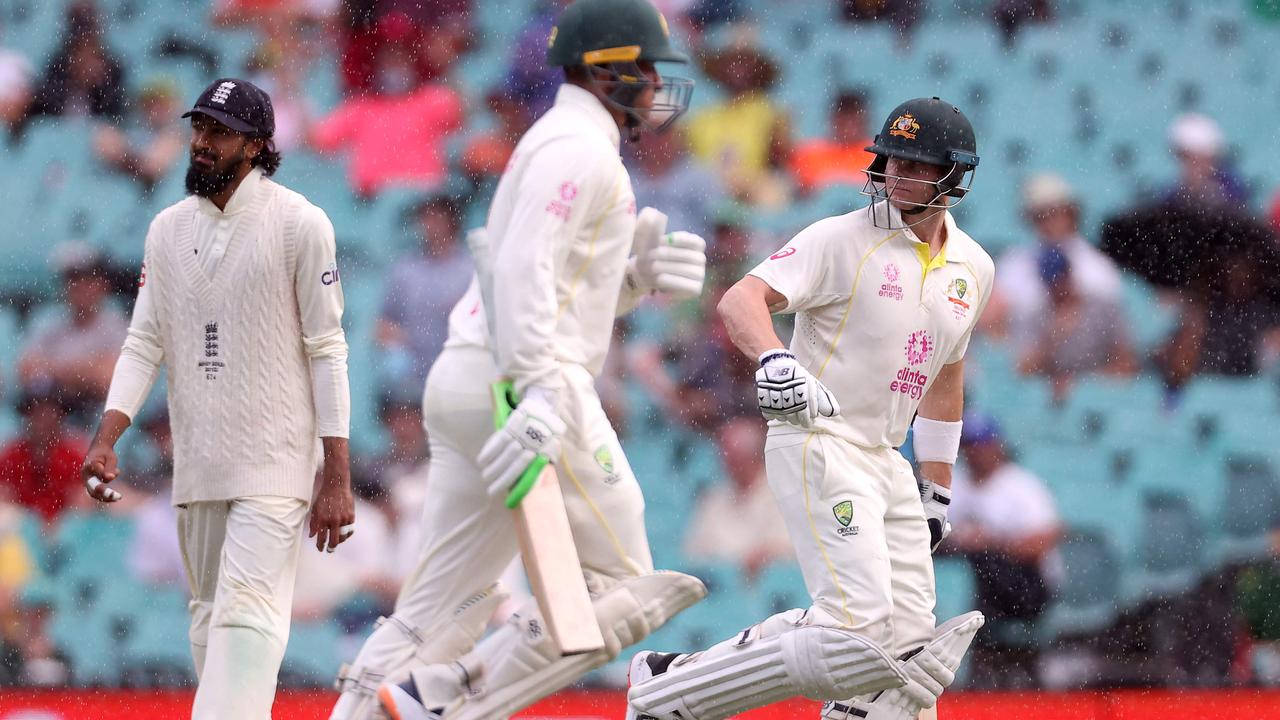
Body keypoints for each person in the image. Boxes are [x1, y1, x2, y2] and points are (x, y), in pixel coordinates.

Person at [332, 2, 709, 719]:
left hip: (475, 375)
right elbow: (522, 270)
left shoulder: (562, 140)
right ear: (608, 69)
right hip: (526, 383)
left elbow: (550, 281)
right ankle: (446, 696)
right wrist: (539, 393)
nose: (660, 82)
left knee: (444, 605)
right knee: (620, 589)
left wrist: (631, 278)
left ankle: (375, 707)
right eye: (650, 66)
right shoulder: (577, 148)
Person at [626, 97, 995, 720]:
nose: (898, 178)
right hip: (818, 440)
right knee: (856, 634)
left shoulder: (973, 267)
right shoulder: (839, 238)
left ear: (955, 174)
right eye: (892, 162)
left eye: (917, 167)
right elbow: (742, 300)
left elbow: (945, 374)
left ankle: (676, 678)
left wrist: (936, 487)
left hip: (886, 459)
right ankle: (669, 694)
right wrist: (776, 360)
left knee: (906, 658)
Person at [79, 78, 354, 720]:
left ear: (256, 146)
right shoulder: (166, 230)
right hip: (198, 465)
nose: (201, 145)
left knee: (248, 616)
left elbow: (328, 348)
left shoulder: (300, 223)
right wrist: (106, 435)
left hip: (276, 462)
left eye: (219, 134)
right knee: (209, 626)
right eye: (198, 130)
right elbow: (144, 342)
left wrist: (334, 474)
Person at [947, 413, 1062, 689]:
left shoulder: (1021, 485)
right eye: (970, 444)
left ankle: (972, 631)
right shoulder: (956, 483)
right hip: (978, 586)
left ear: (996, 445)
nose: (975, 451)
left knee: (985, 558)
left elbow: (1045, 540)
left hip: (1027, 586)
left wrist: (991, 543)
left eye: (981, 443)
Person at [982, 173, 1122, 347]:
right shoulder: (1014, 263)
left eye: (1056, 212)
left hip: (1081, 358)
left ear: (1072, 213)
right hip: (1027, 360)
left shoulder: (1097, 265)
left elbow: (1108, 327)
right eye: (1042, 214)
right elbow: (995, 322)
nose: (1050, 221)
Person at [375, 193, 473, 390]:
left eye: (437, 217)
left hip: (460, 371)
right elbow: (383, 325)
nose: (431, 225)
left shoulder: (470, 270)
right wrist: (399, 347)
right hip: (415, 376)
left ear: (452, 221)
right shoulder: (405, 269)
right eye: (426, 218)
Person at [16, 243, 127, 414]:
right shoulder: (48, 320)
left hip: (96, 415)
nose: (81, 288)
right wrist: (87, 370)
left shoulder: (116, 324)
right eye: (73, 280)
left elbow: (108, 381)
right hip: (54, 415)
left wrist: (51, 369)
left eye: (88, 280)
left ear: (103, 284)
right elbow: (25, 372)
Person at [1016, 247, 1136, 403]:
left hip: (1102, 395)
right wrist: (1053, 337)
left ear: (1069, 274)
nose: (1056, 286)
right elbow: (1024, 370)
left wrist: (1086, 385)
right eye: (1050, 281)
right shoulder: (1037, 315)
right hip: (1057, 399)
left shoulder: (1102, 308)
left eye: (1059, 278)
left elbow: (1128, 362)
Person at [683, 416, 792, 582]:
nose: (727, 462)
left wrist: (761, 555)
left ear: (753, 456)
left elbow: (785, 548)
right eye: (725, 455)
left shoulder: (781, 492)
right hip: (720, 588)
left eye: (735, 456)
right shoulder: (713, 498)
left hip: (769, 587)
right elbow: (695, 551)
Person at [0, 390, 87, 524]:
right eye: (37, 414)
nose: (43, 421)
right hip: (21, 532)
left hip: (66, 530)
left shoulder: (74, 456)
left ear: (60, 418)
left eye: (49, 414)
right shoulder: (11, 456)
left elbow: (86, 498)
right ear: (27, 417)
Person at [93, 79, 185, 191]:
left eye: (162, 105)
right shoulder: (130, 128)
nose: (155, 110)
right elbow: (104, 144)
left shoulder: (179, 135)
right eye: (150, 104)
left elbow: (153, 167)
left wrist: (126, 159)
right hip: (121, 188)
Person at [788, 89, 875, 195]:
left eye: (853, 119)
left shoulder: (877, 156)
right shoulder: (808, 154)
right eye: (844, 118)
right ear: (833, 119)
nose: (849, 125)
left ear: (865, 120)